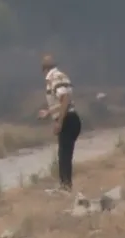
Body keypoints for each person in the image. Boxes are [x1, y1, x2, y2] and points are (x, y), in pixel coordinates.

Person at [38, 55, 82, 192]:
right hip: (73, 118)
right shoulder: (63, 76)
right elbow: (65, 100)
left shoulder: (54, 78)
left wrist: (60, 122)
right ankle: (66, 184)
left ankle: (65, 186)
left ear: (44, 69)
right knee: (65, 154)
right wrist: (49, 112)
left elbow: (65, 99)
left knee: (64, 155)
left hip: (67, 119)